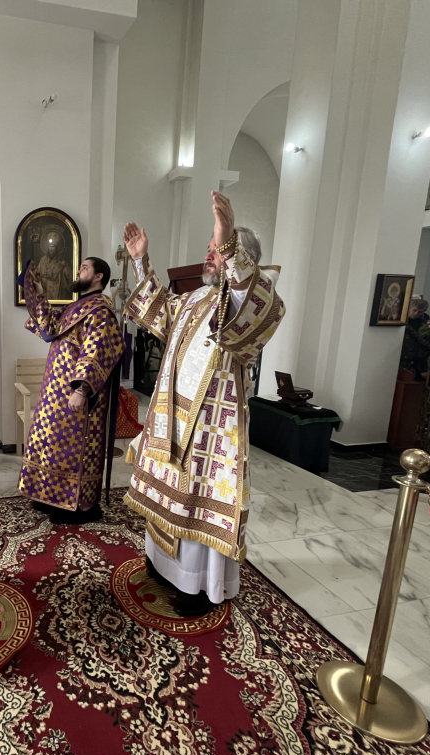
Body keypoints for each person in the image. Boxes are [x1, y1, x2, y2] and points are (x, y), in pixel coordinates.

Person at [122, 192, 285, 617]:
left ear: (240, 258)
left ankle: (196, 584)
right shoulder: (196, 298)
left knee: (196, 502)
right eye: (211, 248)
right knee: (168, 497)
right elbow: (159, 311)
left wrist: (228, 239)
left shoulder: (246, 301)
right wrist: (140, 261)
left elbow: (254, 298)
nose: (209, 254)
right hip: (170, 419)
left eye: (218, 249)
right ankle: (162, 567)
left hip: (209, 429)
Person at [18, 256, 125, 524]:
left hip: (75, 392)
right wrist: (38, 293)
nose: (78, 272)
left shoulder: (101, 311)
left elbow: (96, 350)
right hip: (54, 392)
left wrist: (82, 389)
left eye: (84, 268)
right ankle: (47, 495)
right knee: (50, 446)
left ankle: (73, 506)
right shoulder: (75, 307)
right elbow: (48, 328)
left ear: (98, 276)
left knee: (72, 449)